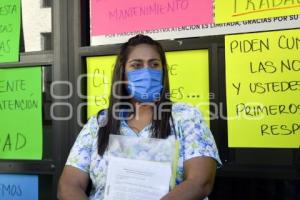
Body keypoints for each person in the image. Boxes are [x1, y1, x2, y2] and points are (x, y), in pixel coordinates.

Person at [58, 34, 221, 200]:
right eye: (136, 66)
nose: (147, 73)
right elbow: (68, 185)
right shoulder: (99, 123)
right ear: (122, 73)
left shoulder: (186, 117)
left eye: (154, 65)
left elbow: (200, 182)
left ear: (163, 70)